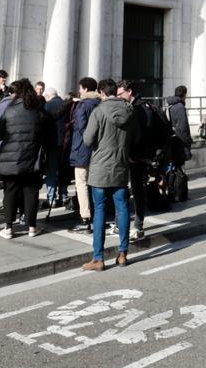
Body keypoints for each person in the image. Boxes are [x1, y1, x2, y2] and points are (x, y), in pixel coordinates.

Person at [82, 78, 136, 271]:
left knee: (100, 211)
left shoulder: (99, 111)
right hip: (121, 165)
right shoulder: (130, 110)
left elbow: (88, 140)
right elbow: (135, 137)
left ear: (102, 93)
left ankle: (98, 258)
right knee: (122, 209)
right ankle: (123, 254)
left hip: (101, 168)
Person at [0, 78, 49, 238]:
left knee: (10, 191)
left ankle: (8, 228)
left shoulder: (9, 110)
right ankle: (32, 227)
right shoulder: (38, 110)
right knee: (31, 192)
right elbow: (46, 132)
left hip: (11, 158)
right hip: (32, 157)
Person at [118, 81, 154, 241]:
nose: (119, 97)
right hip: (133, 155)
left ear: (129, 91)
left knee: (137, 190)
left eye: (120, 94)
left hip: (138, 156)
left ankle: (138, 225)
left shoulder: (140, 108)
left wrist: (134, 153)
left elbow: (143, 133)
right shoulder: (134, 107)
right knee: (126, 189)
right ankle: (122, 223)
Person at [68, 77, 103, 234]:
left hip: (83, 149)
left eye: (81, 88)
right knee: (95, 183)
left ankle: (85, 218)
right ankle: (97, 214)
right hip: (98, 150)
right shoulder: (100, 103)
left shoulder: (82, 106)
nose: (80, 91)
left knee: (81, 183)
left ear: (85, 89)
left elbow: (82, 127)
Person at [42, 87, 69, 208]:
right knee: (63, 170)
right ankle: (63, 195)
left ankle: (51, 198)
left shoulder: (47, 106)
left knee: (51, 171)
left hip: (52, 143)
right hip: (66, 143)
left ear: (47, 96)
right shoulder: (66, 104)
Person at [167, 85, 192, 161]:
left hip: (173, 136)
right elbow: (183, 126)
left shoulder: (171, 105)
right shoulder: (180, 106)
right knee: (180, 161)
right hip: (180, 139)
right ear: (184, 95)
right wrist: (188, 140)